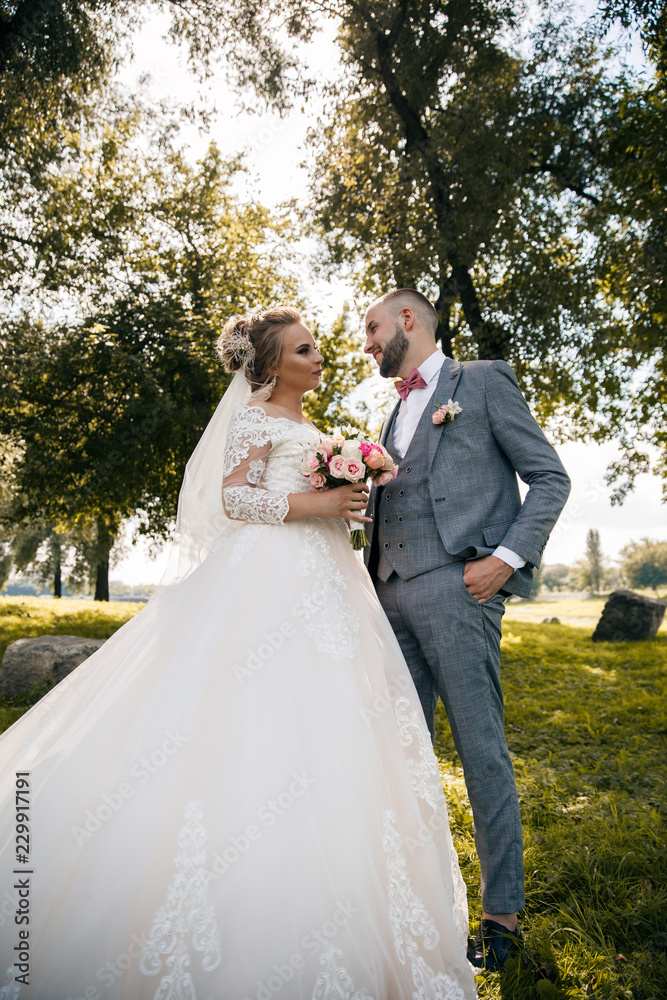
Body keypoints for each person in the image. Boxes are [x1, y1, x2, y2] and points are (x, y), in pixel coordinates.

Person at [0, 306, 477, 999]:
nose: (319, 357)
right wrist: (319, 504)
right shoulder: (254, 417)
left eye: (315, 347)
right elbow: (232, 499)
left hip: (326, 580)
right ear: (273, 363)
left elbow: (289, 491)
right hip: (267, 577)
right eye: (305, 349)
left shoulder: (305, 424)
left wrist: (336, 493)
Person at [363, 289, 571, 972]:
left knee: (480, 754)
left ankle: (501, 920)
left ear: (406, 320)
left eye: (370, 328)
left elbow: (547, 477)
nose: (365, 343)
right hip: (385, 598)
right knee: (404, 761)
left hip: (459, 590)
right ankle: (421, 908)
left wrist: (504, 560)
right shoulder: (389, 412)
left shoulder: (479, 382)